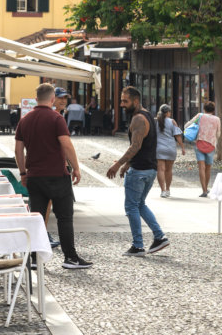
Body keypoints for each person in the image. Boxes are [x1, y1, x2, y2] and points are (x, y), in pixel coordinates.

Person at [15, 83, 92, 269]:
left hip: (35, 177)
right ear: (52, 99)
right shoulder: (56, 118)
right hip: (57, 175)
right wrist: (76, 168)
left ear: (36, 99)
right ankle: (70, 258)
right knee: (64, 218)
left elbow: (18, 151)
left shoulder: (24, 120)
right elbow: (66, 145)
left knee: (37, 217)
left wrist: (23, 173)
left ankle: (33, 259)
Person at [105, 86, 169, 256]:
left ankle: (138, 245)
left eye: (125, 101)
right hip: (149, 169)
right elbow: (142, 146)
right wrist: (127, 165)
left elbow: (136, 145)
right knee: (139, 204)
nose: (122, 104)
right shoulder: (146, 114)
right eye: (121, 100)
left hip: (140, 171)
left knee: (131, 207)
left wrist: (118, 164)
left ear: (135, 100)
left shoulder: (139, 119)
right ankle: (159, 237)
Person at [185, 101, 221, 197]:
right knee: (208, 168)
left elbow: (187, 125)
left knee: (201, 167)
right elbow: (218, 134)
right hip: (211, 145)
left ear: (204, 109)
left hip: (199, 143)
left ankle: (204, 190)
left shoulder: (200, 116)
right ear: (213, 110)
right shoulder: (217, 119)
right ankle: (206, 187)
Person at [155, 104, 183, 197]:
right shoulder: (172, 121)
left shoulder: (156, 121)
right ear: (167, 113)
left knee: (161, 169)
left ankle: (162, 190)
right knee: (169, 170)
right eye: (170, 112)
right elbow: (177, 135)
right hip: (171, 148)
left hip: (159, 148)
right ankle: (168, 189)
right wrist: (182, 147)